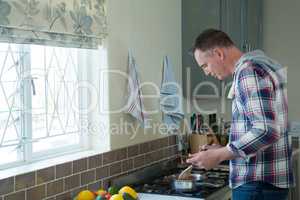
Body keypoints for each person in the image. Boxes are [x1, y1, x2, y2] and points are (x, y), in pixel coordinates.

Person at [186, 29, 293, 200]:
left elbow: (266, 131)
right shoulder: (263, 66)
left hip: (256, 183)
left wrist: (220, 155)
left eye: (205, 65)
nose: (206, 72)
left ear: (219, 53)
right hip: (265, 182)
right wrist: (223, 149)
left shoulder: (248, 72)